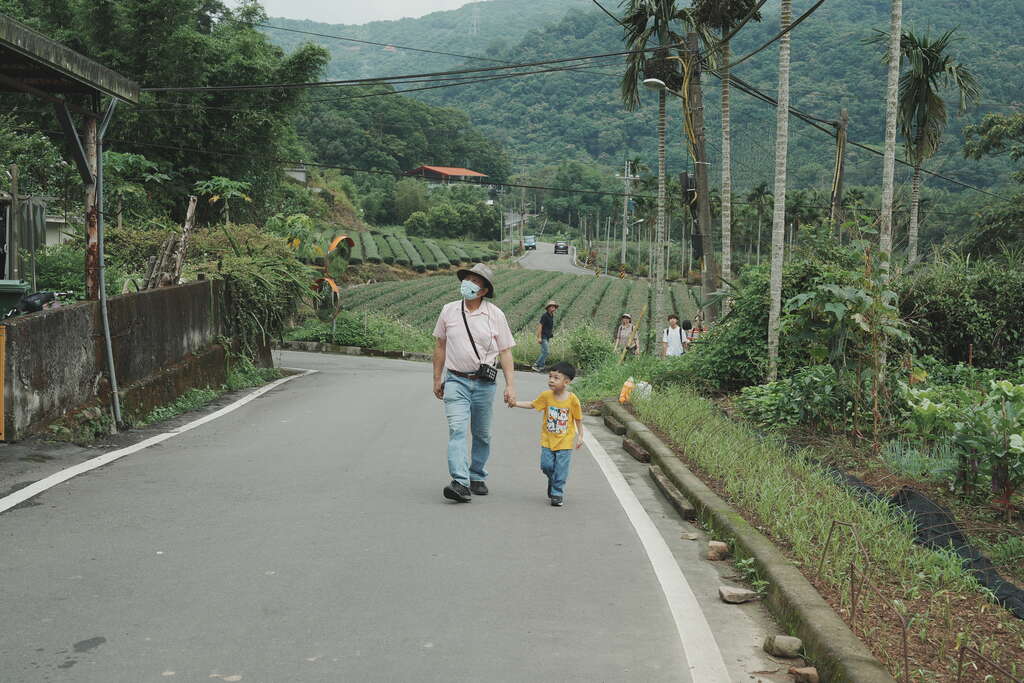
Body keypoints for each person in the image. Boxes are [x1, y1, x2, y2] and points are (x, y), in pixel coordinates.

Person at [432, 263, 517, 503]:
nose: (469, 283)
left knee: (482, 434)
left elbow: (506, 352)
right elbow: (440, 346)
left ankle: (477, 474)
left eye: (476, 281)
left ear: (484, 291)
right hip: (455, 381)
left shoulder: (495, 315)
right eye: (468, 278)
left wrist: (511, 385)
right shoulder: (448, 310)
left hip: (483, 384)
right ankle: (460, 482)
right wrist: (437, 378)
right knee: (457, 430)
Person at [511, 361, 583, 507]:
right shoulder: (546, 396)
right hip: (548, 440)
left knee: (561, 468)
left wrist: (580, 435)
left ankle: (557, 492)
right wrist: (515, 403)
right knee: (546, 466)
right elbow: (532, 405)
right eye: (550, 377)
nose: (551, 380)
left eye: (556, 378)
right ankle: (553, 480)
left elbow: (578, 418)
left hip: (565, 441)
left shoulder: (572, 399)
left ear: (567, 382)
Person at [532, 300, 558, 372]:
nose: (554, 308)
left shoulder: (551, 315)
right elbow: (540, 326)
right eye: (552, 307)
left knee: (544, 352)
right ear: (548, 308)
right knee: (546, 352)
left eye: (554, 307)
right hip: (543, 336)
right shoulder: (545, 316)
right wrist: (539, 337)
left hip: (547, 336)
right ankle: (536, 364)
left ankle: (541, 366)